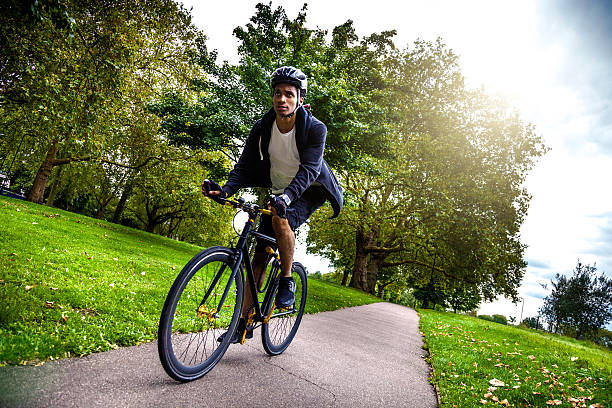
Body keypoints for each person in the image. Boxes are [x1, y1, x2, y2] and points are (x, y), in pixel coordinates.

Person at [202, 66, 343, 343]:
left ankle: (288, 279)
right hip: (278, 189)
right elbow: (244, 166)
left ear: (300, 99)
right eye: (277, 93)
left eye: (289, 94)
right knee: (258, 257)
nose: (282, 99)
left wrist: (287, 199)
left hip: (309, 190)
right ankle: (242, 324)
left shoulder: (315, 129)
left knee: (282, 218)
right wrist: (226, 189)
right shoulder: (263, 127)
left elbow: (310, 170)